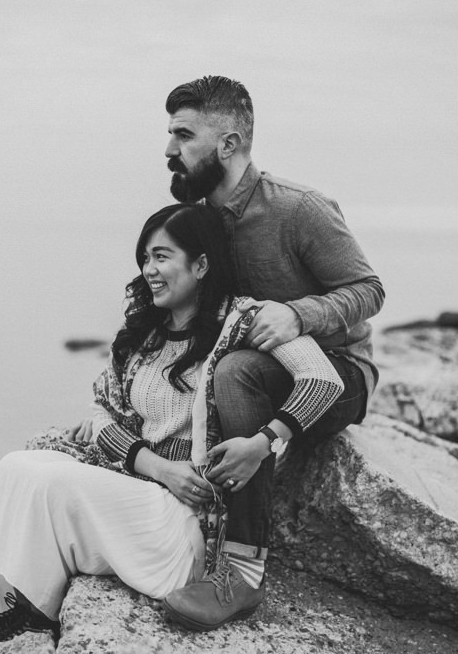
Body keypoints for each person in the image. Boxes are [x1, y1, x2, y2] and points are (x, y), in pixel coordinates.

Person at [0, 204, 344, 650]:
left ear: (200, 264)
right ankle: (12, 607)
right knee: (16, 467)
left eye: (161, 257)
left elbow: (322, 380)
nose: (149, 270)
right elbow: (102, 412)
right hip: (146, 492)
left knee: (42, 477)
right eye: (144, 258)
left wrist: (263, 442)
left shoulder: (244, 320)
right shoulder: (144, 334)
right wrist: (158, 467)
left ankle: (27, 609)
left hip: (189, 524)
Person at [159, 76, 385, 631]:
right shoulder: (199, 223)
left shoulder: (300, 210)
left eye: (184, 136)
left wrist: (298, 314)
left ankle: (241, 571)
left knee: (235, 374)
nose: (169, 151)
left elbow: (369, 290)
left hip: (338, 375)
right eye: (170, 135)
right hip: (258, 372)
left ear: (229, 144)